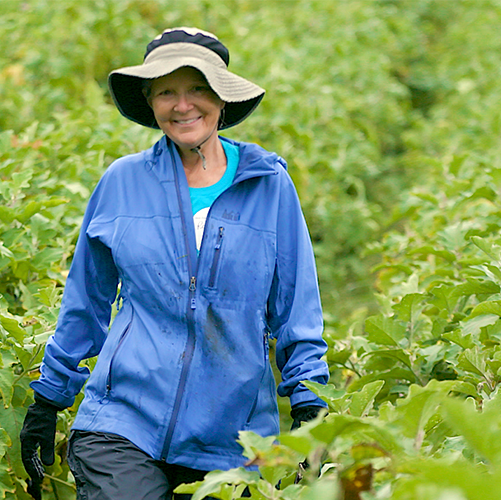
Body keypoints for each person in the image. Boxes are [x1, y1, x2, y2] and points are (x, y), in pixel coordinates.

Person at [19, 28, 329, 500]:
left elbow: (295, 310)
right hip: (123, 421)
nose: (183, 105)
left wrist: (310, 407)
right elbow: (86, 302)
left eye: (198, 89)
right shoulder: (122, 182)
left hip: (235, 440)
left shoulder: (269, 186)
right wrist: (49, 400)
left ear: (222, 100)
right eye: (166, 91)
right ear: (149, 101)